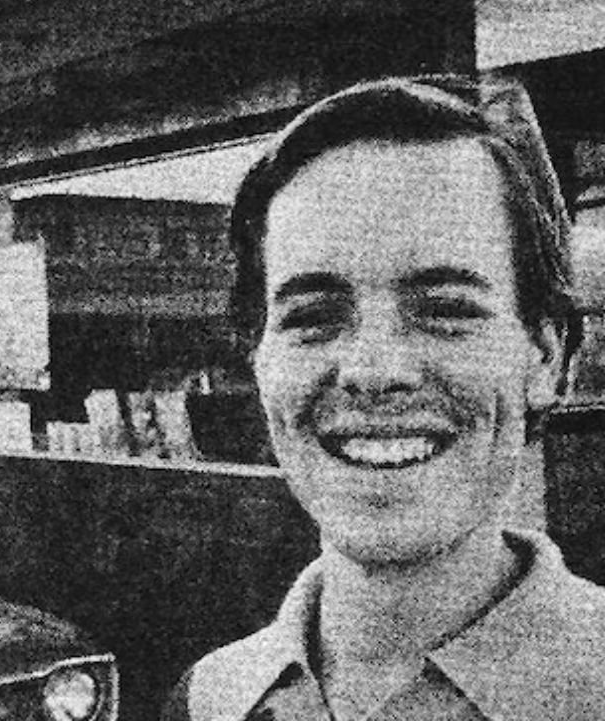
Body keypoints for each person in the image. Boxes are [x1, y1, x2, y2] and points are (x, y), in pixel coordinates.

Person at [164, 75, 605, 721]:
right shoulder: (210, 701)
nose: (374, 371)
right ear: (257, 359)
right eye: (313, 316)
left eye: (446, 310)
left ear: (545, 356)